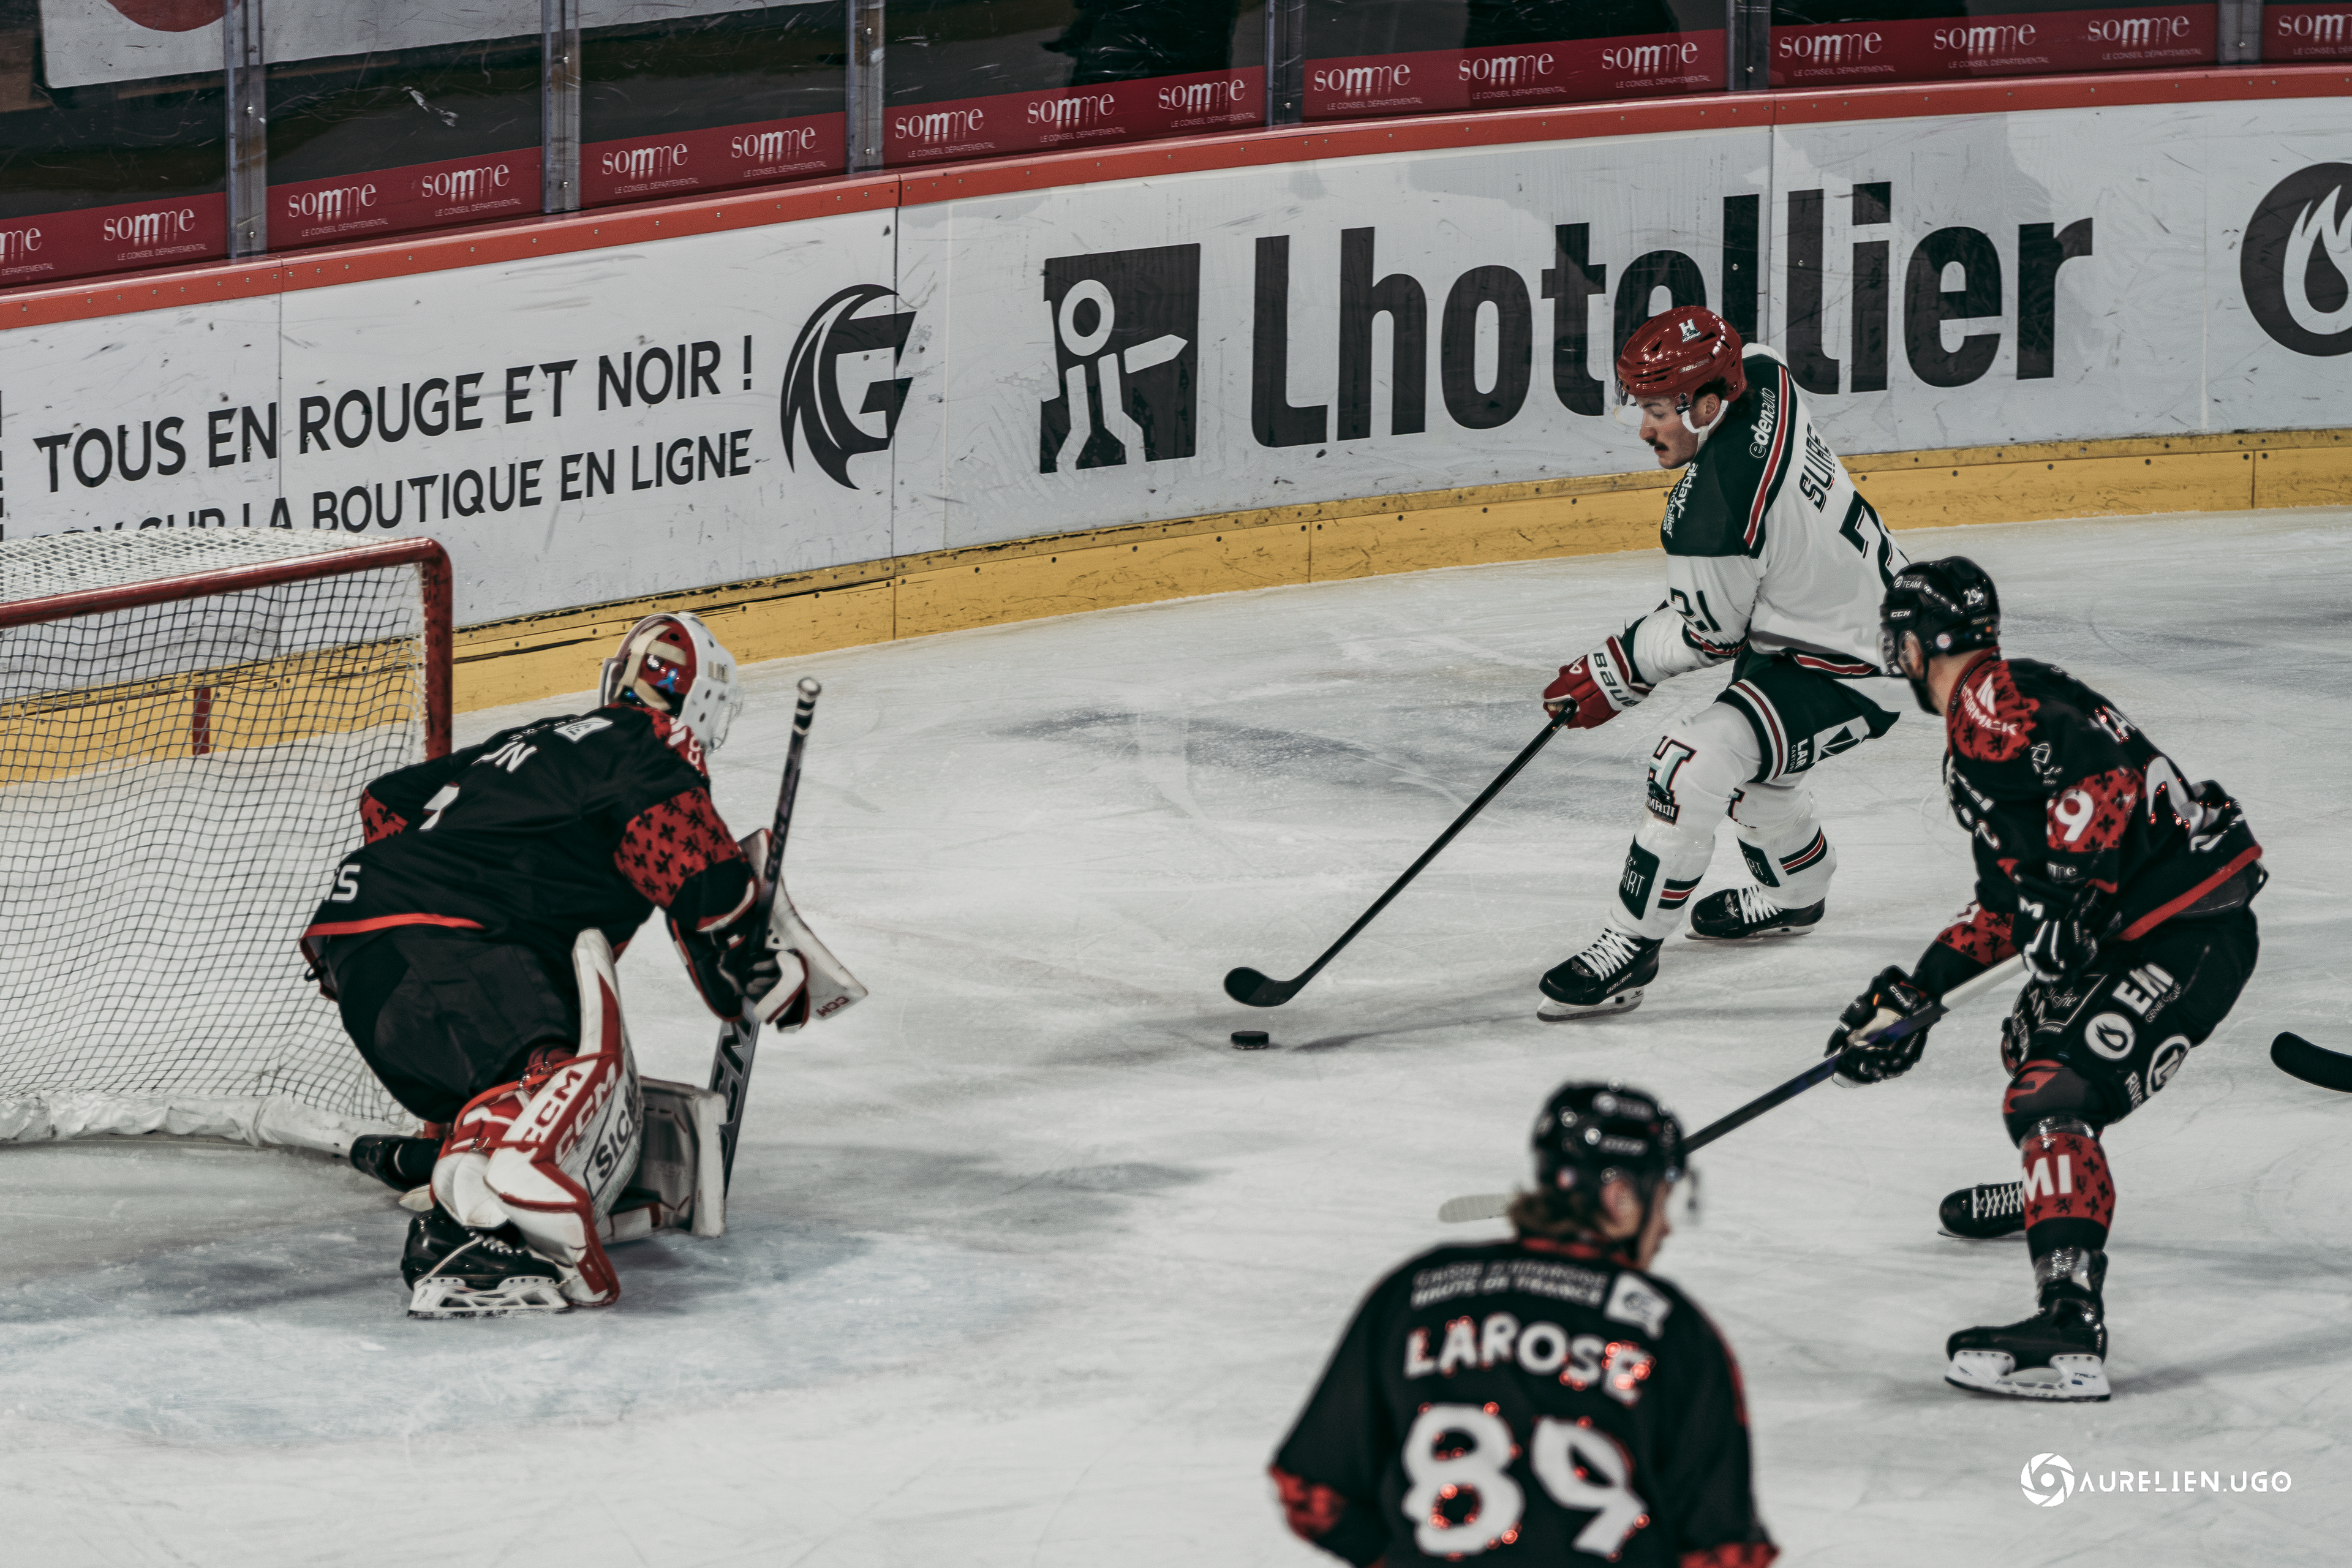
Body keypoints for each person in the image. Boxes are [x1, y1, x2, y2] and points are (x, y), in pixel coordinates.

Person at [300, 612, 850, 1317]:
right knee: (554, 1079)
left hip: (363, 963)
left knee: (533, 1069)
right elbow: (689, 862)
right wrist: (746, 941)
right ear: (703, 703)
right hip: (452, 947)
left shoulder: (537, 742)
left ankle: (461, 1152)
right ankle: (468, 1241)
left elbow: (388, 798)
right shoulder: (647, 746)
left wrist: (430, 885)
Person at [1826, 559, 2263, 1401]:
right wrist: (1917, 994)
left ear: (1914, 645)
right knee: (2031, 1034)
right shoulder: (2002, 708)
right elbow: (2005, 911)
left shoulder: (1988, 707)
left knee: (2050, 1092)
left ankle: (2070, 1319)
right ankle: (2052, 1188)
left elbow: (2104, 780)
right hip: (2157, 931)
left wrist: (2073, 892)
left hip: (2190, 935)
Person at [1538, 305, 1908, 1020]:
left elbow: (1708, 636)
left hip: (1859, 665)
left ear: (1708, 404)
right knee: (1759, 789)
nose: (1644, 430)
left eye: (1657, 411)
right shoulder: (1763, 371)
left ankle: (1631, 945)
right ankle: (1797, 896)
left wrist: (1615, 668)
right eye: (1640, 408)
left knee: (1691, 764)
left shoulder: (1716, 509)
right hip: (1839, 620)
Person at [1270, 1081, 1777, 1566]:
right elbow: (1725, 1553)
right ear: (1620, 1200)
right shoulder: (1672, 1327)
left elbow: (1311, 1492)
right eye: (1661, 1203)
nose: (1664, 1228)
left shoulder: (1418, 1292)